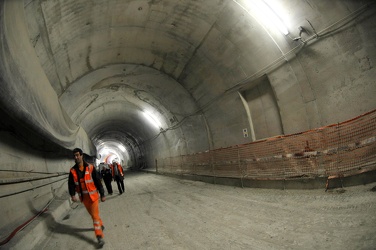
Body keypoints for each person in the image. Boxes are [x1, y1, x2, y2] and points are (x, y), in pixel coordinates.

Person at [68, 148, 106, 247]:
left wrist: (102, 194)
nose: (76, 157)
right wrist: (72, 195)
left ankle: (99, 237)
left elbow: (98, 182)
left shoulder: (91, 168)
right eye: (74, 156)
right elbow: (71, 184)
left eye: (77, 155)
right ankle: (100, 225)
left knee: (94, 217)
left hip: (93, 197)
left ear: (82, 156)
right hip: (84, 199)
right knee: (94, 215)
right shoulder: (72, 171)